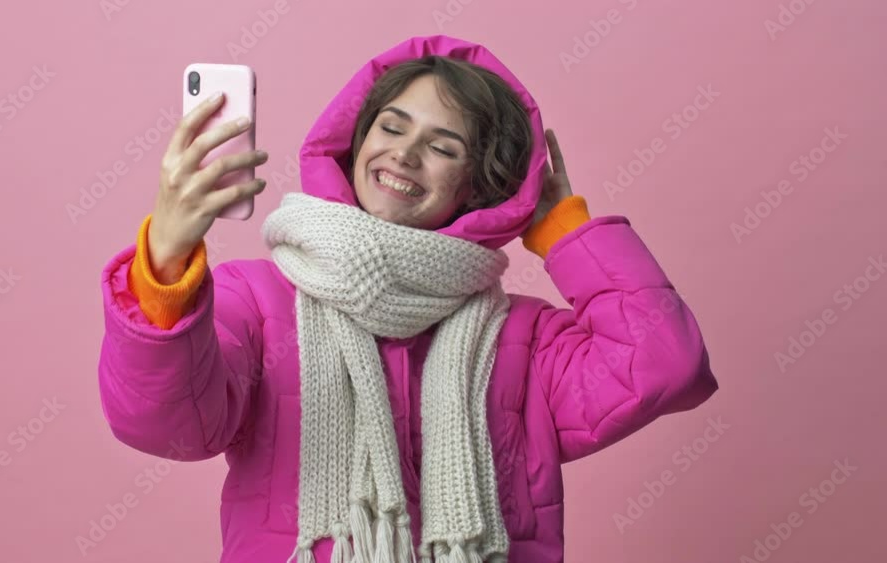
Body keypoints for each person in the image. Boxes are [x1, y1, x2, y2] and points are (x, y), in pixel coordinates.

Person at [97, 35, 719, 563]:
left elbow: (666, 361)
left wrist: (562, 230)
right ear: (354, 142)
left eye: (444, 147)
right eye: (391, 127)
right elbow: (166, 425)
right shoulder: (253, 299)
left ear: (483, 184)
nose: (405, 153)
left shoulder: (529, 342)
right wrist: (167, 262)